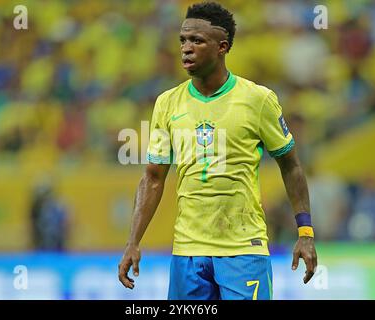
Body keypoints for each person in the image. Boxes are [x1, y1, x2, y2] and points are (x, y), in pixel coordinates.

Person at [118, 2, 317, 300]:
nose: (186, 48)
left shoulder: (257, 100)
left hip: (243, 251)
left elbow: (291, 166)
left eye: (197, 41)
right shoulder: (167, 104)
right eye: (183, 40)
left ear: (222, 47)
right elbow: (153, 177)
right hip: (187, 253)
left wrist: (305, 234)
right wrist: (133, 241)